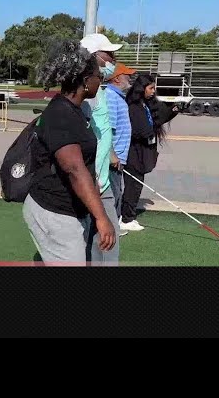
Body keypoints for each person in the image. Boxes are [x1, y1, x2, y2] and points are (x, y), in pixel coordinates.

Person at [23, 38, 116, 264]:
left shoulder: (74, 110)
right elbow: (74, 168)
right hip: (54, 211)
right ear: (86, 81)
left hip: (69, 209)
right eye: (99, 77)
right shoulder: (61, 114)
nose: (101, 80)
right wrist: (102, 218)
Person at [79, 33, 125, 264]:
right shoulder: (87, 94)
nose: (113, 60)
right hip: (92, 183)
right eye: (109, 55)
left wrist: (110, 153)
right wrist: (90, 177)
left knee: (103, 242)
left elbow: (100, 130)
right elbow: (78, 139)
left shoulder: (99, 91)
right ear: (94, 57)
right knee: (102, 241)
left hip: (101, 181)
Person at [120, 74, 179, 231]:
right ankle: (126, 219)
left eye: (154, 88)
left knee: (136, 185)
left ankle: (127, 216)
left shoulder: (145, 104)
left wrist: (172, 110)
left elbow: (156, 120)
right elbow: (142, 130)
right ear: (142, 88)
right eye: (151, 88)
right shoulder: (134, 106)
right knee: (133, 186)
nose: (153, 91)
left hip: (143, 152)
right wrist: (151, 128)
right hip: (133, 152)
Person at [104, 61, 136, 224]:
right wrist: (113, 155)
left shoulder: (118, 97)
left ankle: (113, 227)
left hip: (118, 158)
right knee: (112, 195)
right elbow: (107, 129)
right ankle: (110, 229)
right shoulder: (110, 97)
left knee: (116, 193)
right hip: (113, 160)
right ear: (117, 78)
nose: (130, 78)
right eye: (127, 75)